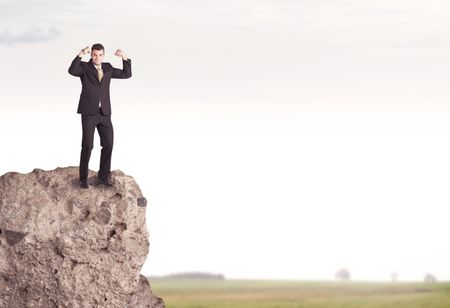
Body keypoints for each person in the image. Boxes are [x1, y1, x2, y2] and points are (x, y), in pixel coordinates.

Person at [68, 43, 132, 189]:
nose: (97, 57)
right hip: (89, 113)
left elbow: (126, 74)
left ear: (103, 55)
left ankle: (103, 178)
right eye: (95, 55)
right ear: (92, 55)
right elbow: (72, 70)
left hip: (105, 113)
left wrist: (124, 57)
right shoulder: (84, 67)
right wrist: (80, 54)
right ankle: (83, 179)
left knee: (108, 143)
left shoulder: (108, 68)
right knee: (88, 146)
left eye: (100, 55)